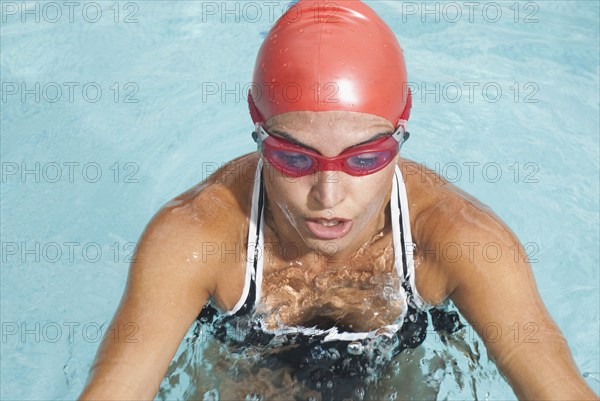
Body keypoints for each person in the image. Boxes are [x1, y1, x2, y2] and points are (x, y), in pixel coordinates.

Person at [79, 1, 598, 400]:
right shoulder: (195, 238)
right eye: (296, 159)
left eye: (365, 159)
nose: (328, 198)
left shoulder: (460, 239)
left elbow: (557, 387)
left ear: (402, 127)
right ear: (256, 124)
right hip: (245, 373)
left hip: (396, 372)